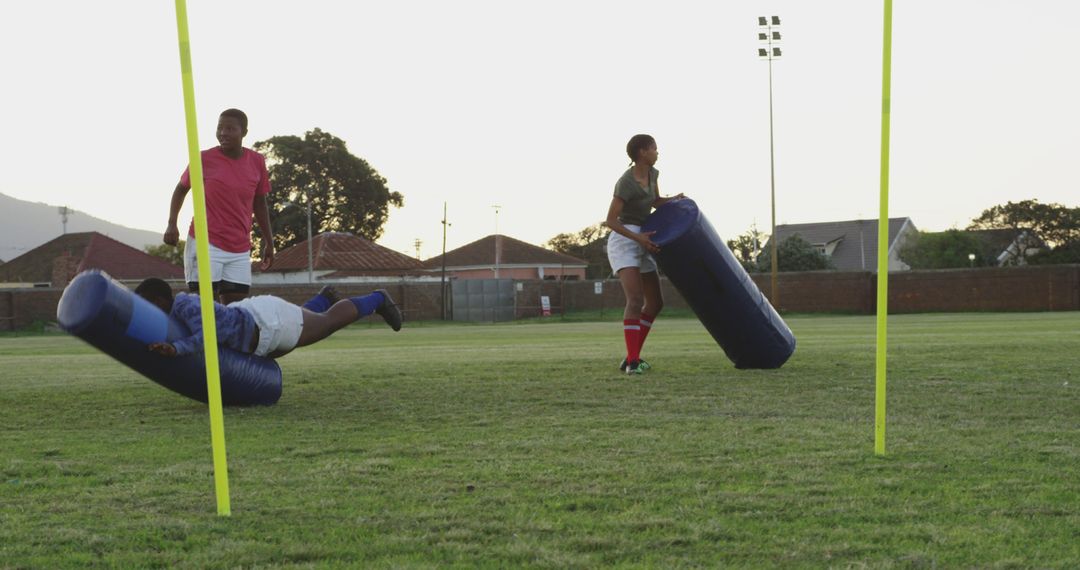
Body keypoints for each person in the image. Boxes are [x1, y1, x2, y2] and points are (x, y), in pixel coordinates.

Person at [163, 108, 275, 305]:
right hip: (205, 243)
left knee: (236, 311)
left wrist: (269, 241)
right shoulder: (203, 159)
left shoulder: (257, 161)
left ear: (244, 132)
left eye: (230, 128)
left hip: (239, 247)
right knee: (206, 310)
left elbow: (260, 203)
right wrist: (172, 223)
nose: (223, 133)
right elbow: (180, 190)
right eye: (220, 128)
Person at [133, 278, 402, 359]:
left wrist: (175, 349)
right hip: (257, 322)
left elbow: (207, 336)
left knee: (326, 323)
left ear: (159, 302)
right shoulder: (180, 306)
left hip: (265, 324)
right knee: (303, 323)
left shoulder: (186, 306)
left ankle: (378, 298)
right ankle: (324, 296)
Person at [604, 134, 685, 375]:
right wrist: (639, 238)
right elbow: (610, 221)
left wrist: (675, 201)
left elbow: (656, 201)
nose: (657, 152)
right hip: (626, 239)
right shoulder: (625, 182)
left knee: (656, 303)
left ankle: (631, 358)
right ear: (642, 152)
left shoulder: (653, 174)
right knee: (636, 300)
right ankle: (633, 362)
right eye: (654, 149)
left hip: (645, 237)